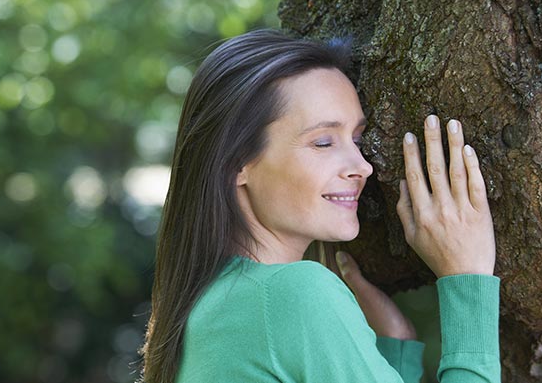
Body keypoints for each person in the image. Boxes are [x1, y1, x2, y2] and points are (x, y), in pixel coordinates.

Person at [140, 29, 499, 383]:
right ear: (237, 162)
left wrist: (394, 351)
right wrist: (467, 278)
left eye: (357, 138)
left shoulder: (213, 306)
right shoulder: (293, 294)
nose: (362, 166)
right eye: (324, 143)